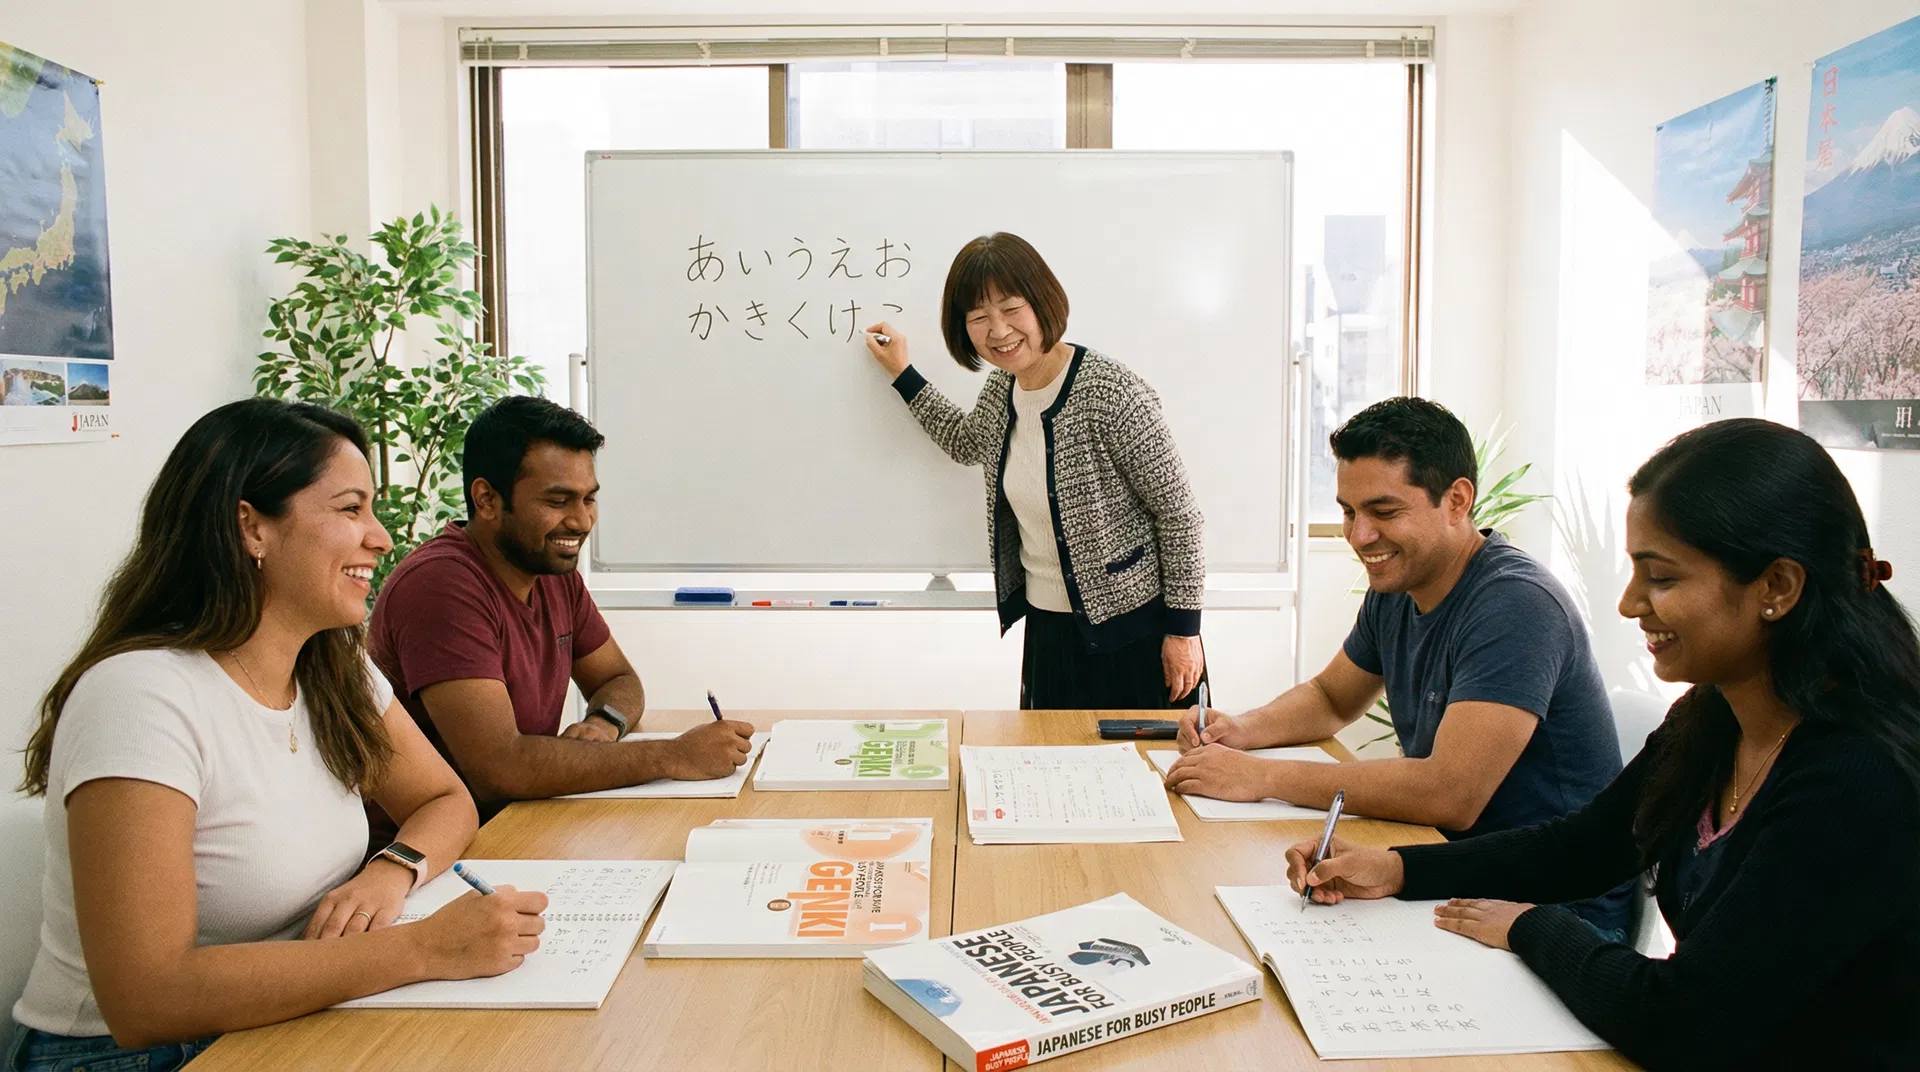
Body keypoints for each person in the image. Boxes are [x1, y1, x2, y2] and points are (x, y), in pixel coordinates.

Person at [1286, 418, 1920, 1068]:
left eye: (1662, 578)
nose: (1628, 603)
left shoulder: (1856, 776)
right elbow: (1588, 845)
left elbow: (1685, 1020)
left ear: (1777, 587)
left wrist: (1530, 924)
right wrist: (1397, 868)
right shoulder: (1715, 716)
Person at [9, 399, 545, 1072]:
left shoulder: (331, 665)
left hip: (286, 1014)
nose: (381, 538)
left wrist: (394, 869)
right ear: (251, 528)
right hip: (130, 1055)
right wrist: (423, 949)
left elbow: (445, 799)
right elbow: (148, 998)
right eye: (351, 509)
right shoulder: (140, 697)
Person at [1166, 397, 1631, 936]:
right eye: (1348, 512)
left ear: (1457, 501)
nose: (1360, 536)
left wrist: (1262, 777)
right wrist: (1240, 729)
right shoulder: (1398, 586)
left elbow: (1449, 793)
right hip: (1449, 869)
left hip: (1555, 913)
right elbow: (1331, 697)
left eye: (1384, 513)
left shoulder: (1516, 605)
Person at [367, 395, 752, 837]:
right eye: (558, 501)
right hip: (435, 852)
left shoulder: (549, 570)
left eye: (589, 499)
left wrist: (603, 724)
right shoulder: (441, 585)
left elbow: (618, 680)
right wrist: (673, 756)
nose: (581, 521)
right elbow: (498, 769)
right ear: (487, 499)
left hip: (522, 823)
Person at [862, 232, 1206, 710]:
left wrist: (1184, 631)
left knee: (1149, 759)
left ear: (1042, 302)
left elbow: (1179, 515)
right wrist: (904, 374)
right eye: (978, 317)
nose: (998, 330)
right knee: (1048, 758)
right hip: (1049, 631)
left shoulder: (1110, 391)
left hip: (1136, 631)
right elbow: (964, 442)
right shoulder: (1001, 390)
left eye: (1011, 309)